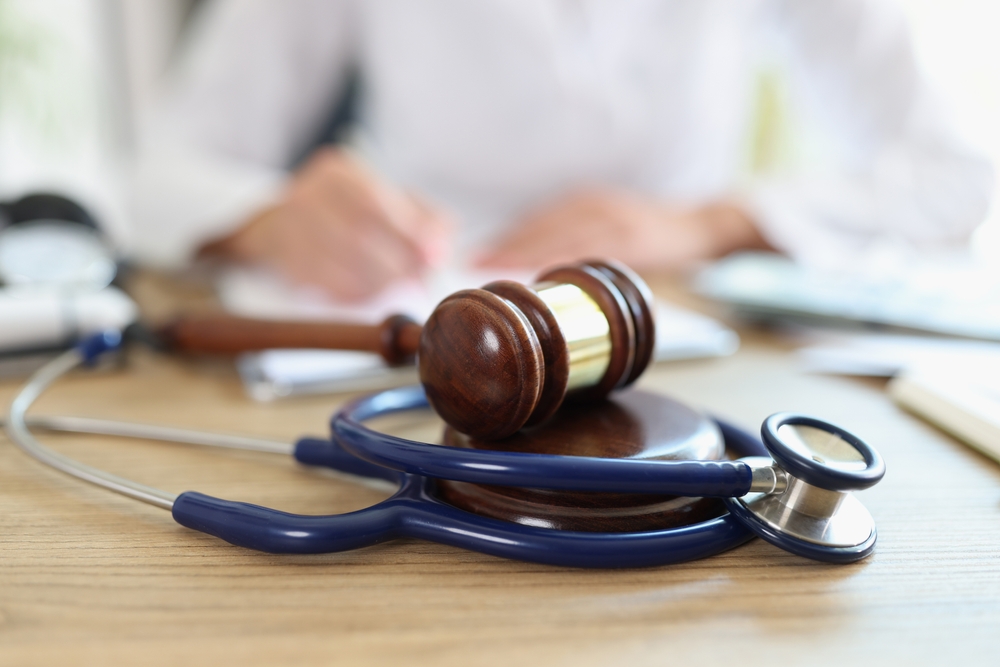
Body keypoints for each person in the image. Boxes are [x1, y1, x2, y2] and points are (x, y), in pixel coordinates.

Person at [132, 0, 993, 302]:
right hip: (418, 322)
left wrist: (713, 222)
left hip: (692, 338)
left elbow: (955, 177)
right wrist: (267, 221)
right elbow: (156, 174)